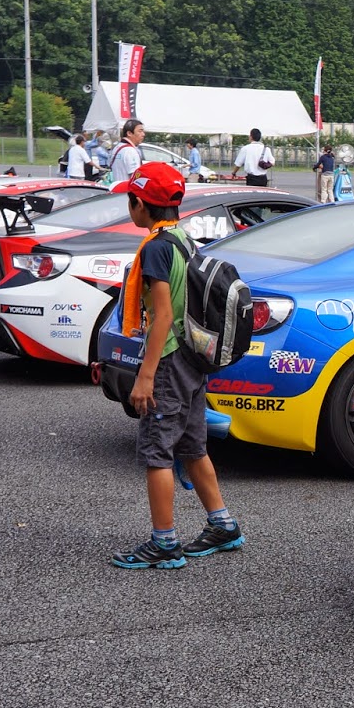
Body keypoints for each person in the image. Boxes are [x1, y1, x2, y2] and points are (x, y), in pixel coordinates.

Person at [110, 161, 244, 569]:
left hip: (168, 359)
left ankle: (164, 542)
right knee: (191, 445)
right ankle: (222, 524)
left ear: (141, 204)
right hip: (192, 357)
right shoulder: (183, 239)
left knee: (156, 452)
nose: (129, 207)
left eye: (130, 200)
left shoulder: (155, 247)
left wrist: (145, 376)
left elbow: (163, 316)